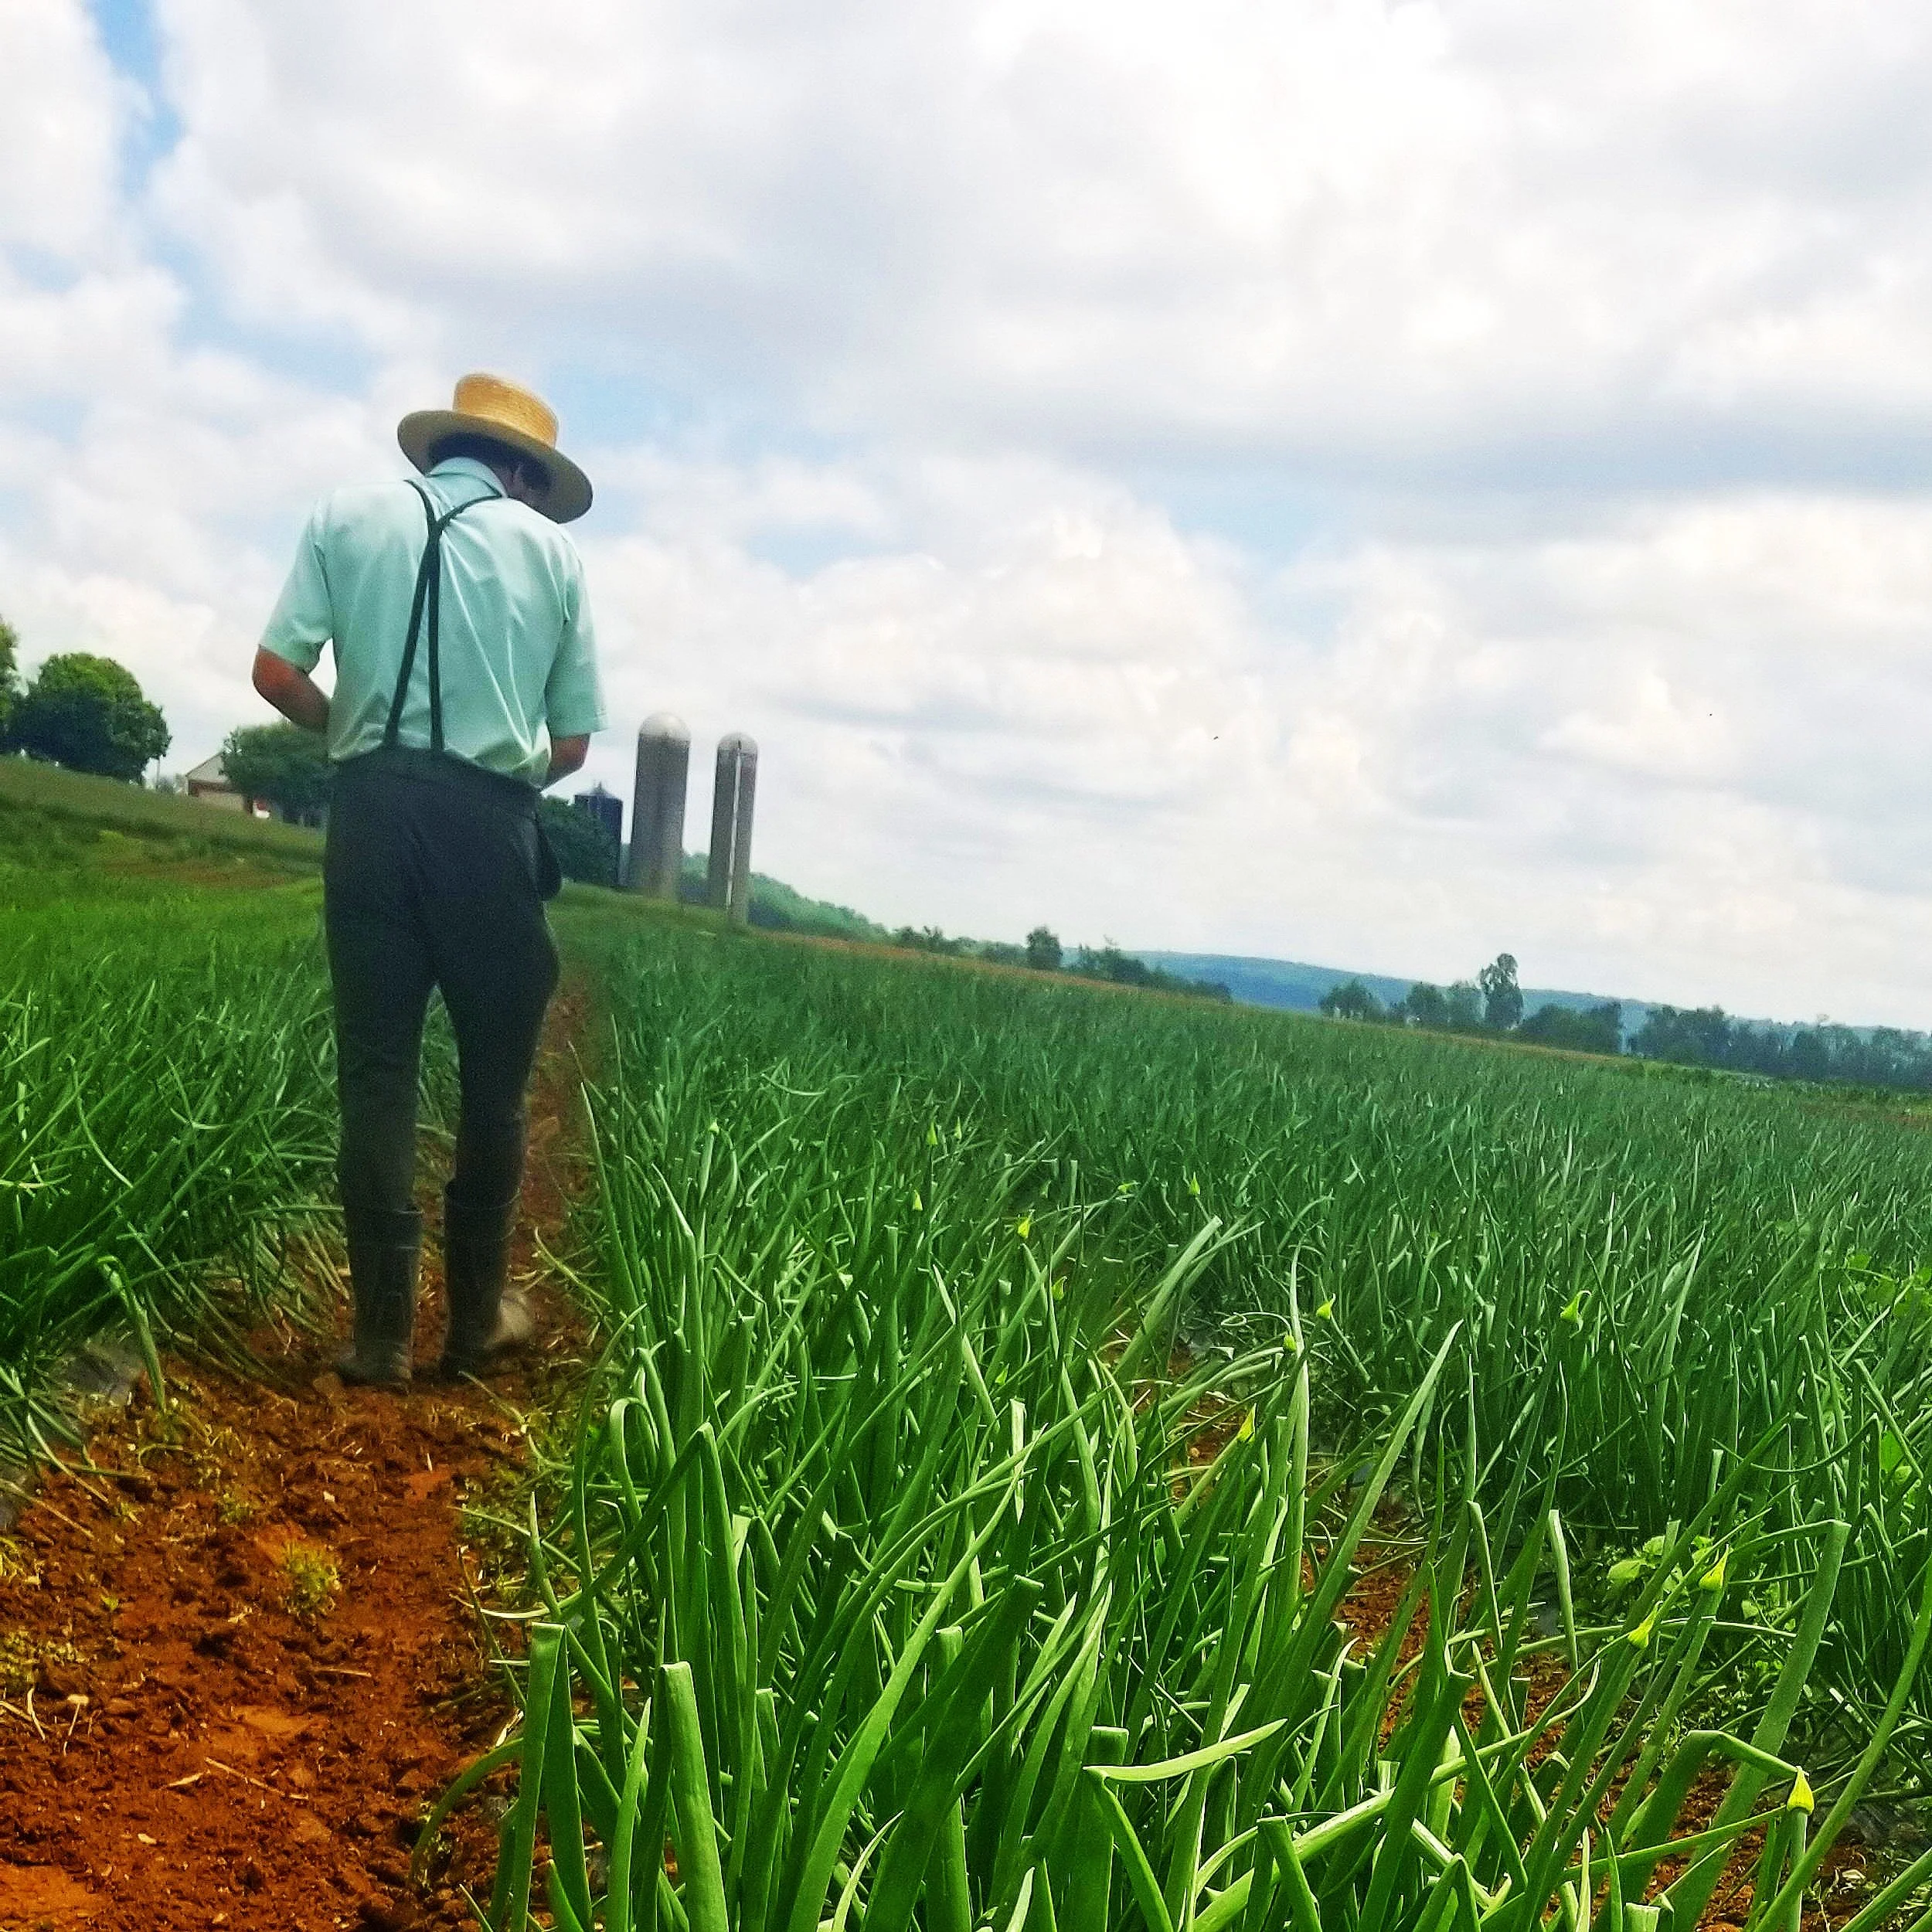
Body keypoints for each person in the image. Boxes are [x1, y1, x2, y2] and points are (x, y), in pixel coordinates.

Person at [251, 373, 606, 1386]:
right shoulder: (554, 555)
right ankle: (474, 1322)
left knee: (377, 1072)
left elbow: (277, 674)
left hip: (365, 815)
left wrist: (357, 738)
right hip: (485, 825)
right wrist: (496, 785)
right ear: (524, 475)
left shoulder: (346, 514)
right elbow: (572, 744)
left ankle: (379, 1340)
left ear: (445, 449)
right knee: (495, 1087)